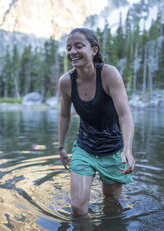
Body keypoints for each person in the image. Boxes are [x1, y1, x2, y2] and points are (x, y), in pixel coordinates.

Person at [58, 28, 135, 217]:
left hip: (112, 149)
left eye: (78, 46)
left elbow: (125, 115)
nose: (72, 52)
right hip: (85, 147)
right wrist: (60, 146)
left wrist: (127, 149)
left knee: (112, 203)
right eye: (68, 48)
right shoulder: (66, 82)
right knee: (77, 208)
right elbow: (64, 115)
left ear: (93, 50)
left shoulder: (109, 74)